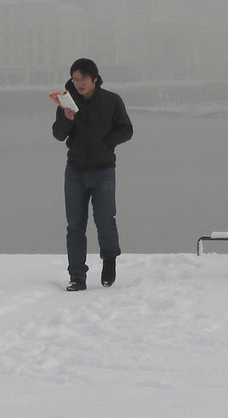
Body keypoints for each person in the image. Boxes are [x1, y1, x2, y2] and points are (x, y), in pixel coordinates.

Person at [52, 58, 133, 291]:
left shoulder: (111, 101)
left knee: (105, 221)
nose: (79, 84)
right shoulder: (67, 102)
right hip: (75, 171)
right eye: (75, 79)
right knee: (75, 226)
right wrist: (67, 120)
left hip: (104, 170)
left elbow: (127, 130)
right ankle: (77, 276)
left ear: (95, 78)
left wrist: (107, 142)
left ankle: (109, 261)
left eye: (83, 79)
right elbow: (58, 135)